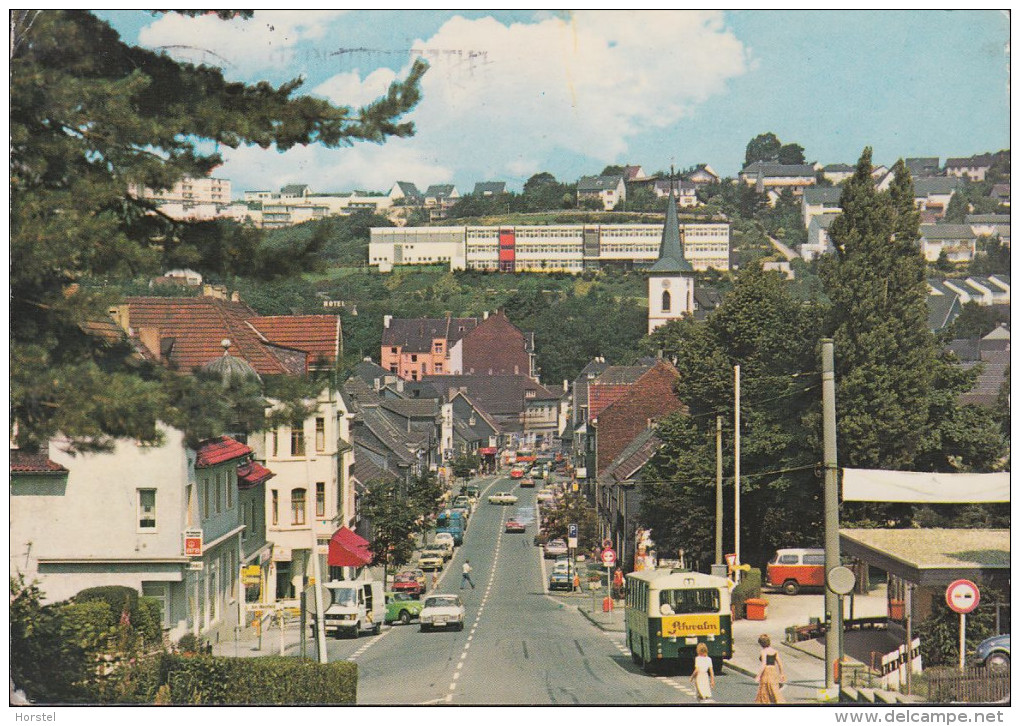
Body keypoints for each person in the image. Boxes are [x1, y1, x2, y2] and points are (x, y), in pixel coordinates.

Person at [754, 634, 786, 703]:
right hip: (773, 671)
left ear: (761, 643)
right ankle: (779, 702)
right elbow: (780, 663)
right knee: (774, 688)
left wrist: (758, 676)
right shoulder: (775, 651)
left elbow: (764, 664)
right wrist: (782, 674)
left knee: (764, 689)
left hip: (766, 671)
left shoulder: (763, 652)